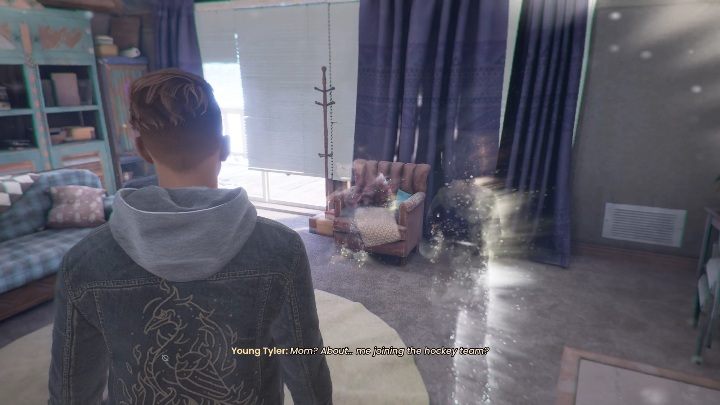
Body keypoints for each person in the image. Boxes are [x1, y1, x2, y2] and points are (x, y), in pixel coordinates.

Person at [48, 69, 332, 405]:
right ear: (224, 148)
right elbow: (305, 364)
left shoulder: (83, 262)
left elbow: (71, 392)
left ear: (142, 150)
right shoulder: (282, 249)